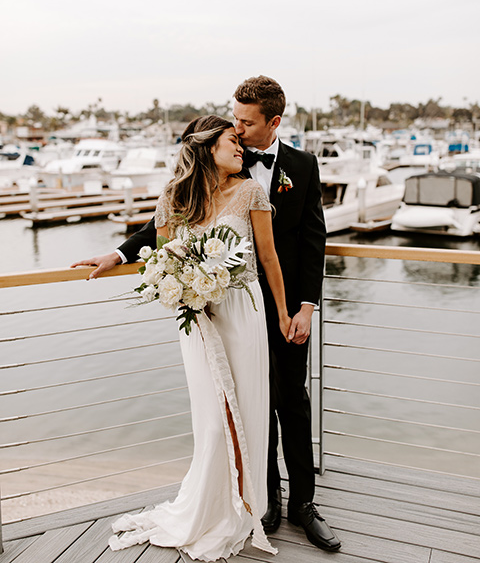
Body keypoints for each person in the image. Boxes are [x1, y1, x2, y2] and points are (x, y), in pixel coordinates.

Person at [72, 76, 341, 552]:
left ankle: (304, 504)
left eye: (245, 121)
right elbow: (170, 221)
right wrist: (118, 253)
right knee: (242, 405)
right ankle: (264, 498)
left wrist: (304, 306)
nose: (236, 126)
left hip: (275, 307)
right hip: (217, 309)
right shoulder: (217, 164)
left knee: (291, 402)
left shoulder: (302, 164)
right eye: (234, 118)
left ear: (273, 122)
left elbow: (311, 239)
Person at [107, 115, 291, 560]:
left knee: (247, 408)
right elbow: (164, 257)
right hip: (197, 315)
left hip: (243, 312)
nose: (241, 149)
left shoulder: (250, 191)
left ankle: (244, 508)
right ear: (208, 146)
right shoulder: (174, 196)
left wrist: (283, 314)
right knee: (211, 418)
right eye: (232, 140)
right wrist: (184, 287)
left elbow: (268, 259)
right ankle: (209, 506)